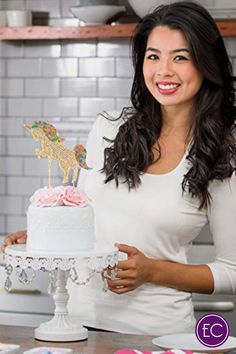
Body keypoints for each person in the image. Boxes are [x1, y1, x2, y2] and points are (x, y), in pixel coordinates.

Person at [2, 1, 236, 336]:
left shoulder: (220, 157)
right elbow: (82, 218)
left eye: (180, 57)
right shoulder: (107, 129)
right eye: (153, 56)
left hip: (158, 335)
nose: (163, 70)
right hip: (77, 326)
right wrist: (44, 239)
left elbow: (232, 270)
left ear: (206, 64)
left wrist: (152, 271)